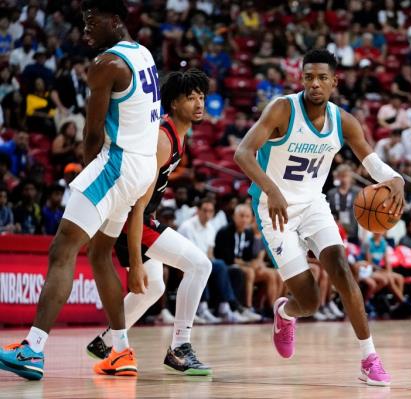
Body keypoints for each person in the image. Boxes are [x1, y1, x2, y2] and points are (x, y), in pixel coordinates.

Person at [0, 0, 161, 380]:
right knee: (101, 254)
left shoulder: (105, 64)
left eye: (93, 21)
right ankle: (120, 350)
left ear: (116, 20)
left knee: (63, 248)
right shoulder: (144, 53)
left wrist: (91, 177)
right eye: (83, 21)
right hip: (141, 168)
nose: (85, 28)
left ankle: (33, 350)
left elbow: (91, 134)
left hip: (117, 163)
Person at [234, 49, 405, 386]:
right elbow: (243, 153)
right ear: (301, 79)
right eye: (309, 76)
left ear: (334, 82)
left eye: (322, 78)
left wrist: (394, 178)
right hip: (274, 209)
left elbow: (371, 164)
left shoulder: (344, 121)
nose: (315, 83)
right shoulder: (283, 108)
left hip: (313, 204)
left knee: (342, 270)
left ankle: (369, 358)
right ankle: (285, 312)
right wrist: (271, 189)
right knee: (309, 301)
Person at [85, 69, 213, 375]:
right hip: (131, 219)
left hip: (139, 217)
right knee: (200, 265)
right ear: (173, 102)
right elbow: (138, 204)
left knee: (153, 287)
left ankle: (104, 344)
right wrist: (137, 262)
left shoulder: (180, 134)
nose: (198, 103)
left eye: (201, 97)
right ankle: (180, 348)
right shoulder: (162, 139)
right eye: (190, 97)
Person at [178, 198, 250, 324]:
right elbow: (187, 253)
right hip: (184, 263)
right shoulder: (187, 227)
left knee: (225, 268)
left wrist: (209, 262)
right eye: (204, 210)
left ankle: (224, 307)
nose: (207, 214)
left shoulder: (210, 227)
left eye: (210, 211)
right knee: (205, 266)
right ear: (198, 210)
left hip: (202, 261)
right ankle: (204, 308)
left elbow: (210, 252)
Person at [213, 204, 273, 321]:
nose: (244, 219)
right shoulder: (225, 232)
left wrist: (255, 263)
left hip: (240, 265)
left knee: (271, 274)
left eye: (247, 216)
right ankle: (247, 307)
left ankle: (269, 308)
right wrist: (249, 264)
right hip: (225, 265)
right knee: (248, 271)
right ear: (234, 216)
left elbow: (248, 257)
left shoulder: (249, 234)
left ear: (251, 218)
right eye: (241, 216)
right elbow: (227, 258)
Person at [326, 164, 361, 244]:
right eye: (342, 176)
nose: (344, 179)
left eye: (346, 176)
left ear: (351, 177)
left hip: (353, 232)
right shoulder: (331, 193)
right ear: (338, 177)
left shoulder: (358, 192)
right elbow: (327, 212)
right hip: (336, 232)